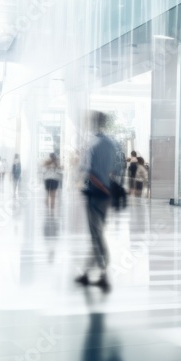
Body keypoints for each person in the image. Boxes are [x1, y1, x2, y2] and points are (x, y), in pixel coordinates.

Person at [75, 111, 121, 291]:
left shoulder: (92, 144)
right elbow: (117, 168)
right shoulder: (112, 144)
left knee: (96, 234)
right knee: (97, 231)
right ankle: (87, 274)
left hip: (95, 193)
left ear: (94, 123)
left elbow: (89, 171)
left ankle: (103, 272)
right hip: (107, 194)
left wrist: (92, 183)